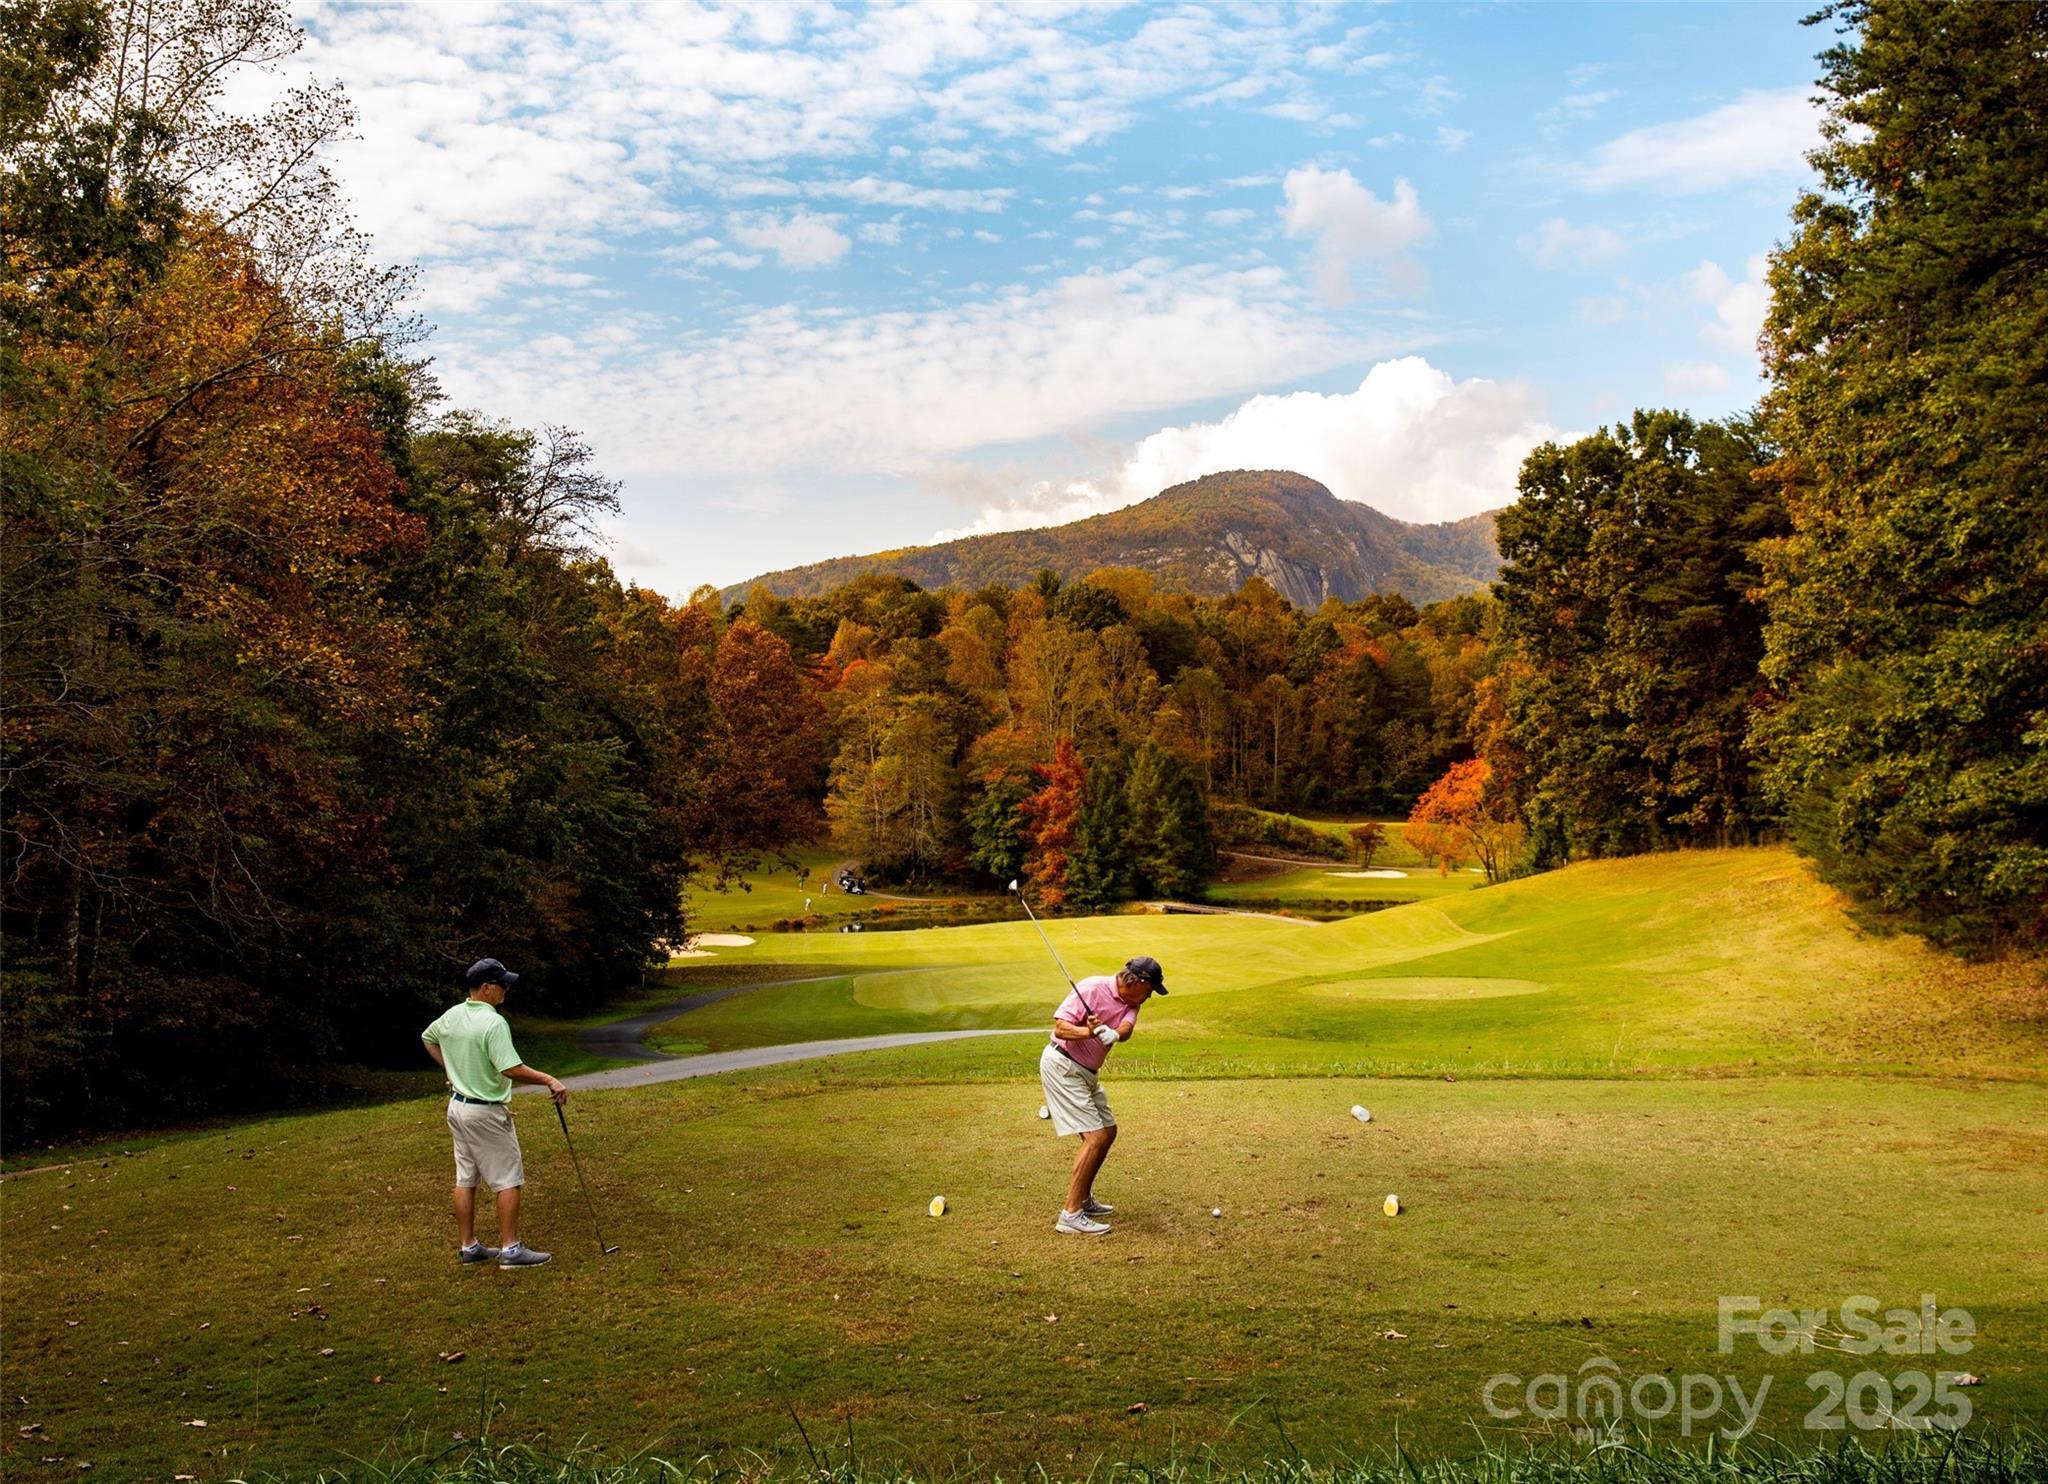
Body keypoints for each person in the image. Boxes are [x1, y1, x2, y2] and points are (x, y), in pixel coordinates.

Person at [421, 957, 569, 1268]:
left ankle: (469, 1247)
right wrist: (549, 1080)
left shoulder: (453, 1014)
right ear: (486, 988)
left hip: (458, 1107)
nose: (505, 990)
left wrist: (451, 1071)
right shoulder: (493, 1022)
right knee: (508, 1179)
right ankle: (511, 1250)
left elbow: (428, 1038)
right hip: (484, 1113)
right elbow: (511, 1068)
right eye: (502, 985)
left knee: (466, 1177)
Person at [1039, 955, 1166, 1235]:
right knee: (1095, 1137)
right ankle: (1070, 1215)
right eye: (1150, 990)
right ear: (1139, 982)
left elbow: (1127, 1027)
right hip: (1063, 1065)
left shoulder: (1132, 1002)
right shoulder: (1091, 988)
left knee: (1107, 1132)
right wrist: (1089, 1031)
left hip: (1088, 1072)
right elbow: (1059, 1027)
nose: (1149, 997)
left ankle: (1083, 1199)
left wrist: (1113, 1035)